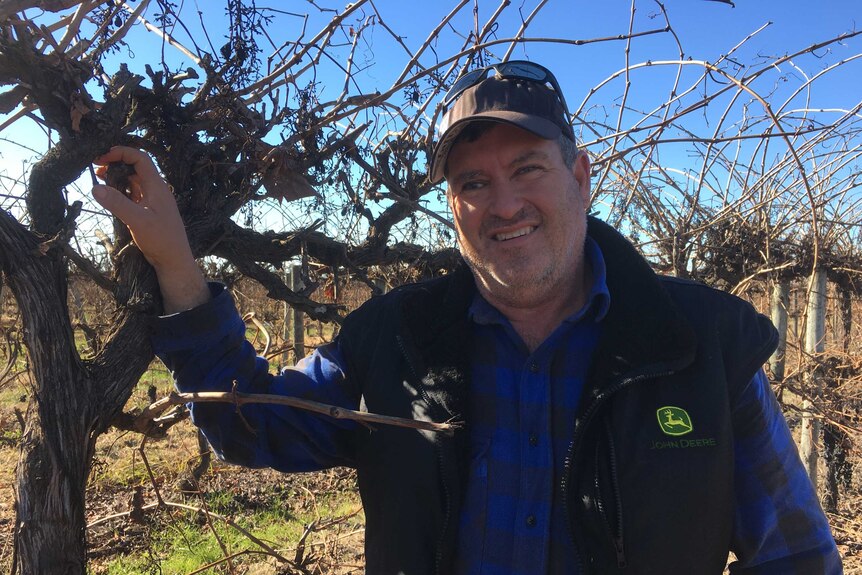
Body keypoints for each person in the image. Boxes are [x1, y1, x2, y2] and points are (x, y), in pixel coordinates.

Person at [92, 60, 842, 574]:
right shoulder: (395, 339)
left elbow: (797, 555)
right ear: (451, 208)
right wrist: (175, 265)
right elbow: (249, 419)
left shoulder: (700, 346)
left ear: (581, 178)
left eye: (527, 170)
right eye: (473, 181)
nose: (503, 204)